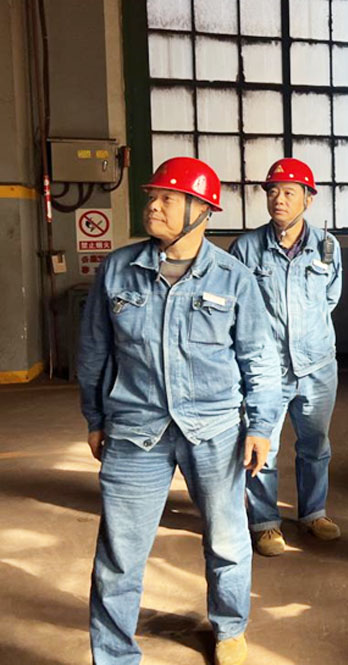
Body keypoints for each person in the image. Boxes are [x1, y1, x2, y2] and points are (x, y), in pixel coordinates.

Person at [78, 157, 281, 665]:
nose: (153, 205)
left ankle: (230, 629)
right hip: (134, 428)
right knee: (119, 553)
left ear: (201, 210)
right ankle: (114, 654)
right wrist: (95, 418)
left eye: (168, 198)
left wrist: (260, 426)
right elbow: (94, 350)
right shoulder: (118, 269)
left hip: (214, 430)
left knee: (227, 540)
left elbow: (259, 357)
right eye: (153, 196)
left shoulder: (234, 278)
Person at [230, 158, 343, 556]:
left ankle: (313, 514)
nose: (279, 199)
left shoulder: (327, 246)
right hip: (266, 369)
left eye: (289, 192)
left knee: (316, 445)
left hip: (317, 366)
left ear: (308, 199)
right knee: (263, 448)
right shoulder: (246, 248)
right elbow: (236, 310)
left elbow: (331, 297)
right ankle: (265, 523)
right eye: (273, 191)